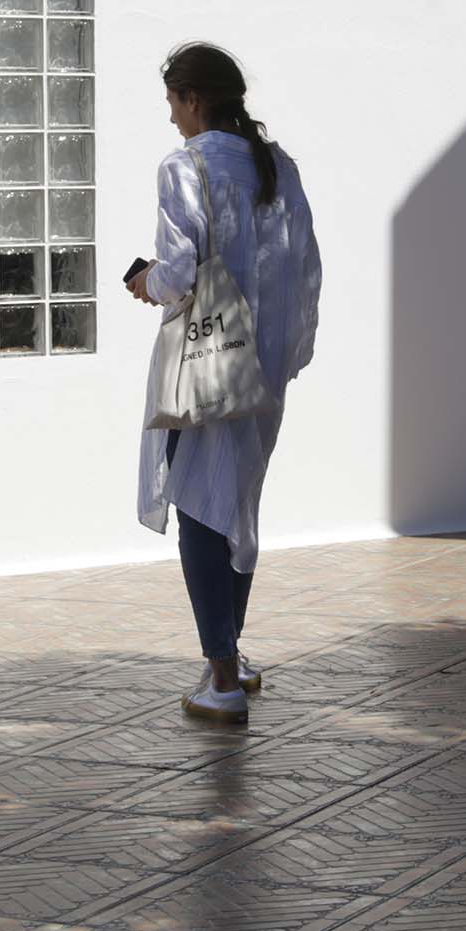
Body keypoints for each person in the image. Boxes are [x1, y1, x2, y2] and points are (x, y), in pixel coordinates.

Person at [128, 44, 321, 725]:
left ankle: (221, 677)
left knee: (199, 509)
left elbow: (179, 274)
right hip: (262, 361)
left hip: (209, 361)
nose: (172, 116)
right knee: (238, 504)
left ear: (193, 99)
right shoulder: (277, 166)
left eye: (174, 101)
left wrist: (145, 281)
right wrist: (289, 349)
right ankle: (231, 655)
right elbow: (307, 267)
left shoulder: (185, 166)